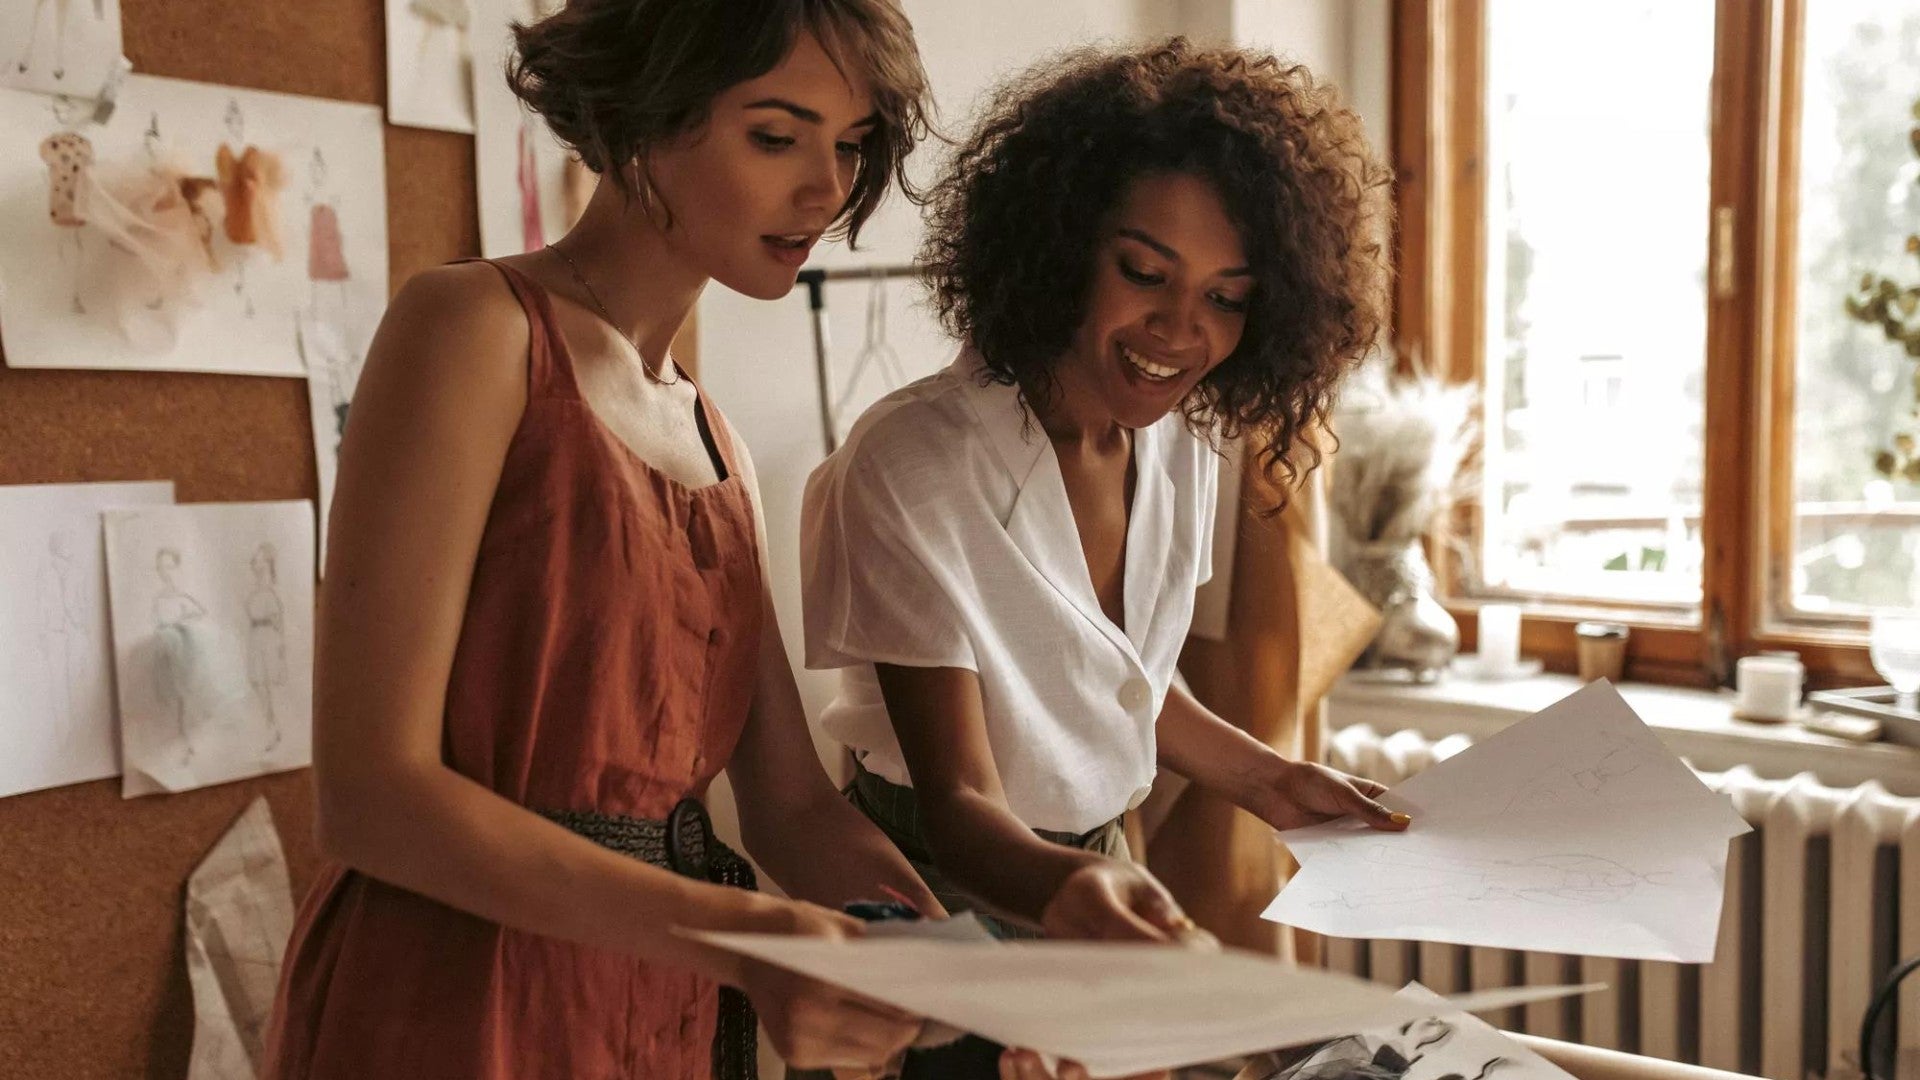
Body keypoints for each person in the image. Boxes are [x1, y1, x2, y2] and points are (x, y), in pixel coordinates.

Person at [262, 3, 949, 1077]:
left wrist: (955, 959)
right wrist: (740, 938)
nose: (827, 189)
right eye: (778, 136)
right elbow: (371, 798)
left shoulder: (710, 431)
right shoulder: (473, 331)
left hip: (654, 1010)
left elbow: (790, 806)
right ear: (642, 114)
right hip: (457, 1000)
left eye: (851, 146)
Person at [802, 37, 1405, 968]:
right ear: (1060, 245)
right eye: (1145, 273)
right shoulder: (912, 465)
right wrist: (1080, 888)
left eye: (1228, 297)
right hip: (934, 896)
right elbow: (960, 808)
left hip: (1098, 872)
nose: (1181, 329)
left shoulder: (1185, 440)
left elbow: (1124, 684)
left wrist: (1274, 782)